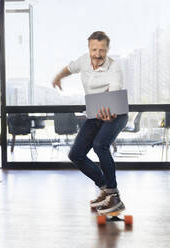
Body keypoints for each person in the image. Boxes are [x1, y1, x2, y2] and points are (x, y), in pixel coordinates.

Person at [52, 31, 128, 215]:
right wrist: (58, 77)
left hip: (115, 113)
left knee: (100, 145)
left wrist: (109, 112)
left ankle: (114, 195)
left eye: (102, 50)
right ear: (89, 48)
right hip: (94, 114)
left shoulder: (114, 67)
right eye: (94, 49)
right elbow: (69, 68)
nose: (98, 54)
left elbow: (113, 90)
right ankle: (105, 188)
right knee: (76, 154)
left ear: (107, 49)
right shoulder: (84, 61)